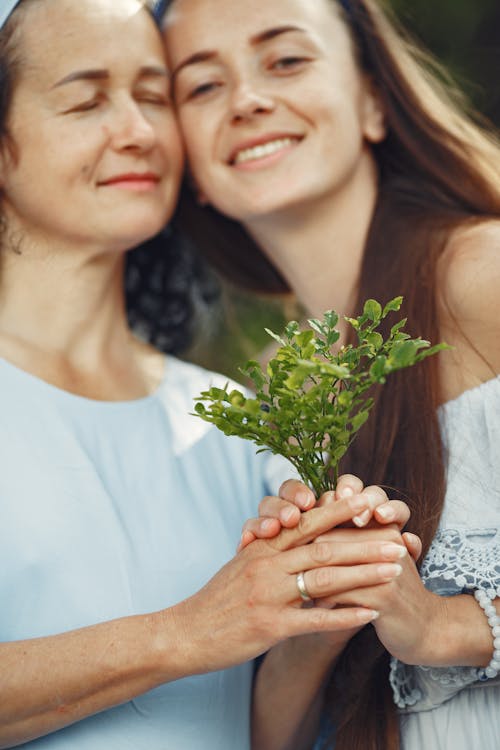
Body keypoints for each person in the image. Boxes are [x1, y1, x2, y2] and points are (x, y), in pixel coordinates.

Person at [0, 1, 417, 748]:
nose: (138, 131)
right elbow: (204, 634)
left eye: (155, 97)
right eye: (87, 99)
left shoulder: (232, 418)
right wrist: (186, 633)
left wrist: (312, 616)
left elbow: (262, 735)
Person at [160, 0, 500, 748]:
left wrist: (447, 624)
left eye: (285, 59)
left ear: (374, 101)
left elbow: (431, 633)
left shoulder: (484, 273)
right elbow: (278, 738)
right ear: (193, 173)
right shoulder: (284, 387)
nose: (247, 98)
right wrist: (306, 616)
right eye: (202, 87)